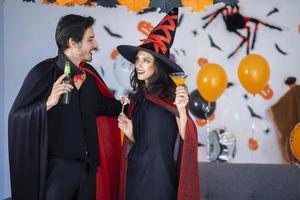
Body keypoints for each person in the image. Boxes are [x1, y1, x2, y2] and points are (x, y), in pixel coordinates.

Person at [8, 14, 123, 200]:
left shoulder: (89, 76)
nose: (95, 45)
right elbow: (17, 117)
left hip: (88, 168)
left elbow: (103, 107)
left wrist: (132, 103)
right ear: (72, 42)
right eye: (90, 39)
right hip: (57, 171)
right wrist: (48, 103)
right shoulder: (43, 73)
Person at [116, 8, 201, 200]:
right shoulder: (137, 99)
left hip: (160, 178)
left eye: (146, 61)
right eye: (138, 60)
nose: (139, 65)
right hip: (135, 174)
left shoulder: (170, 96)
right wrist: (131, 133)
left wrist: (181, 111)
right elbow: (145, 142)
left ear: (158, 66)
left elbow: (187, 137)